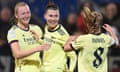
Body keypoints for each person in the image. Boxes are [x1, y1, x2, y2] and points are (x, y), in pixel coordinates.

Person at [64, 7, 119, 72]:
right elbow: (117, 44)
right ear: (100, 24)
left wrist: (70, 38)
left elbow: (66, 48)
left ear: (88, 25)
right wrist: (111, 31)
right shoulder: (106, 38)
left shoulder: (83, 39)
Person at [7, 2, 50, 72]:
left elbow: (48, 47)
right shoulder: (12, 32)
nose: (26, 16)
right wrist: (37, 48)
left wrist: (39, 40)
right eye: (23, 13)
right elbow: (17, 54)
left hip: (39, 69)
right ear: (16, 15)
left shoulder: (36, 28)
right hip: (23, 69)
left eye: (28, 12)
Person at [38, 3, 76, 72]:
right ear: (45, 16)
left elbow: (73, 56)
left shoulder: (62, 34)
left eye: (56, 16)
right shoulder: (45, 29)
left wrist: (70, 70)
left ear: (59, 17)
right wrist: (39, 40)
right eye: (50, 16)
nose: (53, 19)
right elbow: (49, 43)